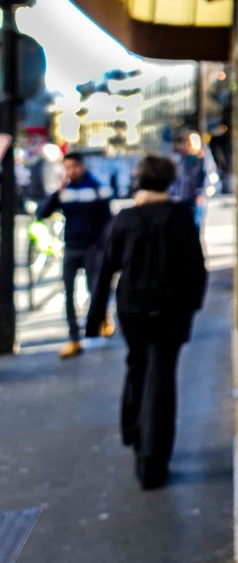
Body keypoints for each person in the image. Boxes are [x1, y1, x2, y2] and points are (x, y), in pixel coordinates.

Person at [87, 155, 207, 490]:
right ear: (169, 181)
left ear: (139, 181)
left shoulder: (125, 219)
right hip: (171, 310)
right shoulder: (180, 216)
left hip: (132, 309)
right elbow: (195, 267)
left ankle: (134, 434)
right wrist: (191, 308)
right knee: (162, 378)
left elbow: (106, 269)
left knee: (137, 365)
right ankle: (153, 461)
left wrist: (94, 318)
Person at [38, 152, 113, 359]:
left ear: (82, 166)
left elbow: (108, 220)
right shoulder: (64, 191)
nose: (71, 171)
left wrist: (101, 245)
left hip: (92, 248)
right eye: (67, 167)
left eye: (74, 166)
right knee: (68, 293)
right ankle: (74, 338)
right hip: (71, 247)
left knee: (93, 289)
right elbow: (42, 213)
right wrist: (57, 192)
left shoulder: (97, 188)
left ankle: (100, 318)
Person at [170, 132, 209, 232]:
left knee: (195, 226)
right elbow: (177, 179)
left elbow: (206, 178)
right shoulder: (182, 159)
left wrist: (201, 194)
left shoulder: (202, 159)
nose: (186, 145)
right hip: (182, 198)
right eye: (186, 142)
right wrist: (174, 194)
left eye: (189, 143)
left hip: (195, 199)